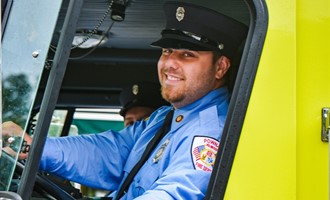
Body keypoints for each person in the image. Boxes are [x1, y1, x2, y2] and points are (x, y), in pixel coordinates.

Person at [3, 1, 248, 199]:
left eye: (187, 55)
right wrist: (32, 147)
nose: (169, 63)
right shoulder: (165, 117)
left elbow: (177, 193)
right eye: (166, 51)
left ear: (220, 68)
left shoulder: (212, 131)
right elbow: (112, 152)